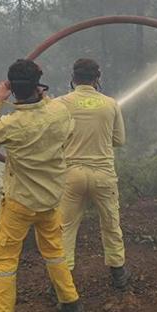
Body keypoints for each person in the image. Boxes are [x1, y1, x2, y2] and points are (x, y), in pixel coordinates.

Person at [0, 59, 86, 312]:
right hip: (50, 200)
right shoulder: (60, 111)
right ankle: (71, 303)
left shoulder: (13, 124)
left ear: (13, 89)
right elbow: (66, 131)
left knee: (3, 258)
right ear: (39, 84)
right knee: (54, 251)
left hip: (19, 204)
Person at [56, 58, 129, 290]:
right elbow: (119, 140)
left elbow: (53, 138)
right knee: (110, 224)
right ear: (97, 79)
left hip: (71, 175)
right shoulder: (111, 104)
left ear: (73, 78)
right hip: (103, 174)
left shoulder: (60, 104)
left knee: (65, 228)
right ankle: (118, 276)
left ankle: (62, 282)